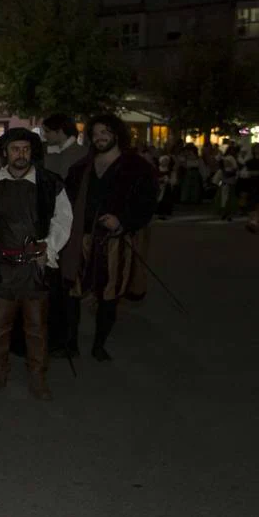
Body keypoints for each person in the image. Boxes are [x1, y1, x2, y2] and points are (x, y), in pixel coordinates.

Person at [0, 129, 71, 399]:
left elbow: (64, 219)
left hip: (34, 268)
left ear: (32, 152)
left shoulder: (49, 183)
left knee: (36, 328)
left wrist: (49, 247)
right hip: (2, 268)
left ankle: (38, 377)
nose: (21, 154)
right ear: (5, 153)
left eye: (26, 149)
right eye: (15, 149)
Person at [60, 115, 159, 362]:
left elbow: (147, 205)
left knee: (109, 294)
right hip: (80, 239)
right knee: (72, 290)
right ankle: (70, 343)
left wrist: (123, 221)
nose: (99, 137)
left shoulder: (138, 168)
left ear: (116, 134)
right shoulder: (80, 169)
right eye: (95, 133)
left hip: (115, 242)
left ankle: (99, 344)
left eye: (105, 132)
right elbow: (65, 203)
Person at [42, 114, 87, 179]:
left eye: (47, 131)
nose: (44, 135)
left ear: (60, 131)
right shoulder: (50, 151)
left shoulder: (82, 154)